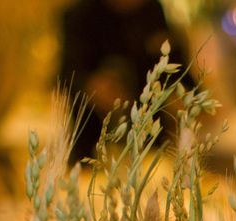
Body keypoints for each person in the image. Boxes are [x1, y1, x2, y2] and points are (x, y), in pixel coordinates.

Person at [58, 0, 192, 162]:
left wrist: (194, 97)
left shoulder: (152, 9)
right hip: (92, 144)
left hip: (150, 142)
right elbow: (66, 76)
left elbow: (176, 66)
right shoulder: (80, 14)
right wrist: (91, 86)